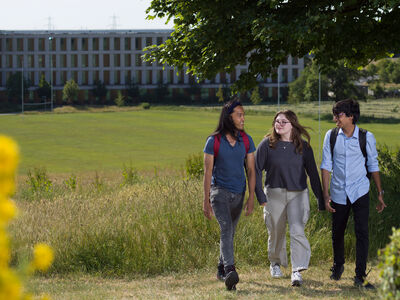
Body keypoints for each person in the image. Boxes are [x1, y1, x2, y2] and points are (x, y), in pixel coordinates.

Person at [321, 99, 386, 289]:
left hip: (360, 191)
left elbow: (373, 166)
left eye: (339, 115)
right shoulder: (331, 136)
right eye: (335, 115)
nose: (335, 119)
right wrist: (326, 195)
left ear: (351, 116)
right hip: (339, 191)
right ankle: (338, 265)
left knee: (362, 233)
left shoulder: (367, 137)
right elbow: (326, 165)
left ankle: (360, 276)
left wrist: (380, 193)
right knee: (337, 232)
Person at [255, 110, 324, 287]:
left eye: (283, 122)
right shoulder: (267, 145)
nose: (278, 124)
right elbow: (254, 169)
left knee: (297, 230)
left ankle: (297, 270)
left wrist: (321, 198)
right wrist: (259, 194)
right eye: (277, 121)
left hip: (298, 194)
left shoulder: (304, 147)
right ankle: (275, 263)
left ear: (292, 124)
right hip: (274, 193)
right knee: (276, 231)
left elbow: (313, 175)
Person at [203, 98, 256, 291]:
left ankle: (220, 268)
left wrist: (251, 198)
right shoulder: (213, 141)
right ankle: (230, 270)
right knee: (226, 229)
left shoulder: (247, 140)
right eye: (239, 115)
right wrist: (206, 201)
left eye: (243, 115)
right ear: (229, 117)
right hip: (219, 192)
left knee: (230, 233)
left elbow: (251, 170)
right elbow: (207, 172)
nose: (243, 118)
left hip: (239, 193)